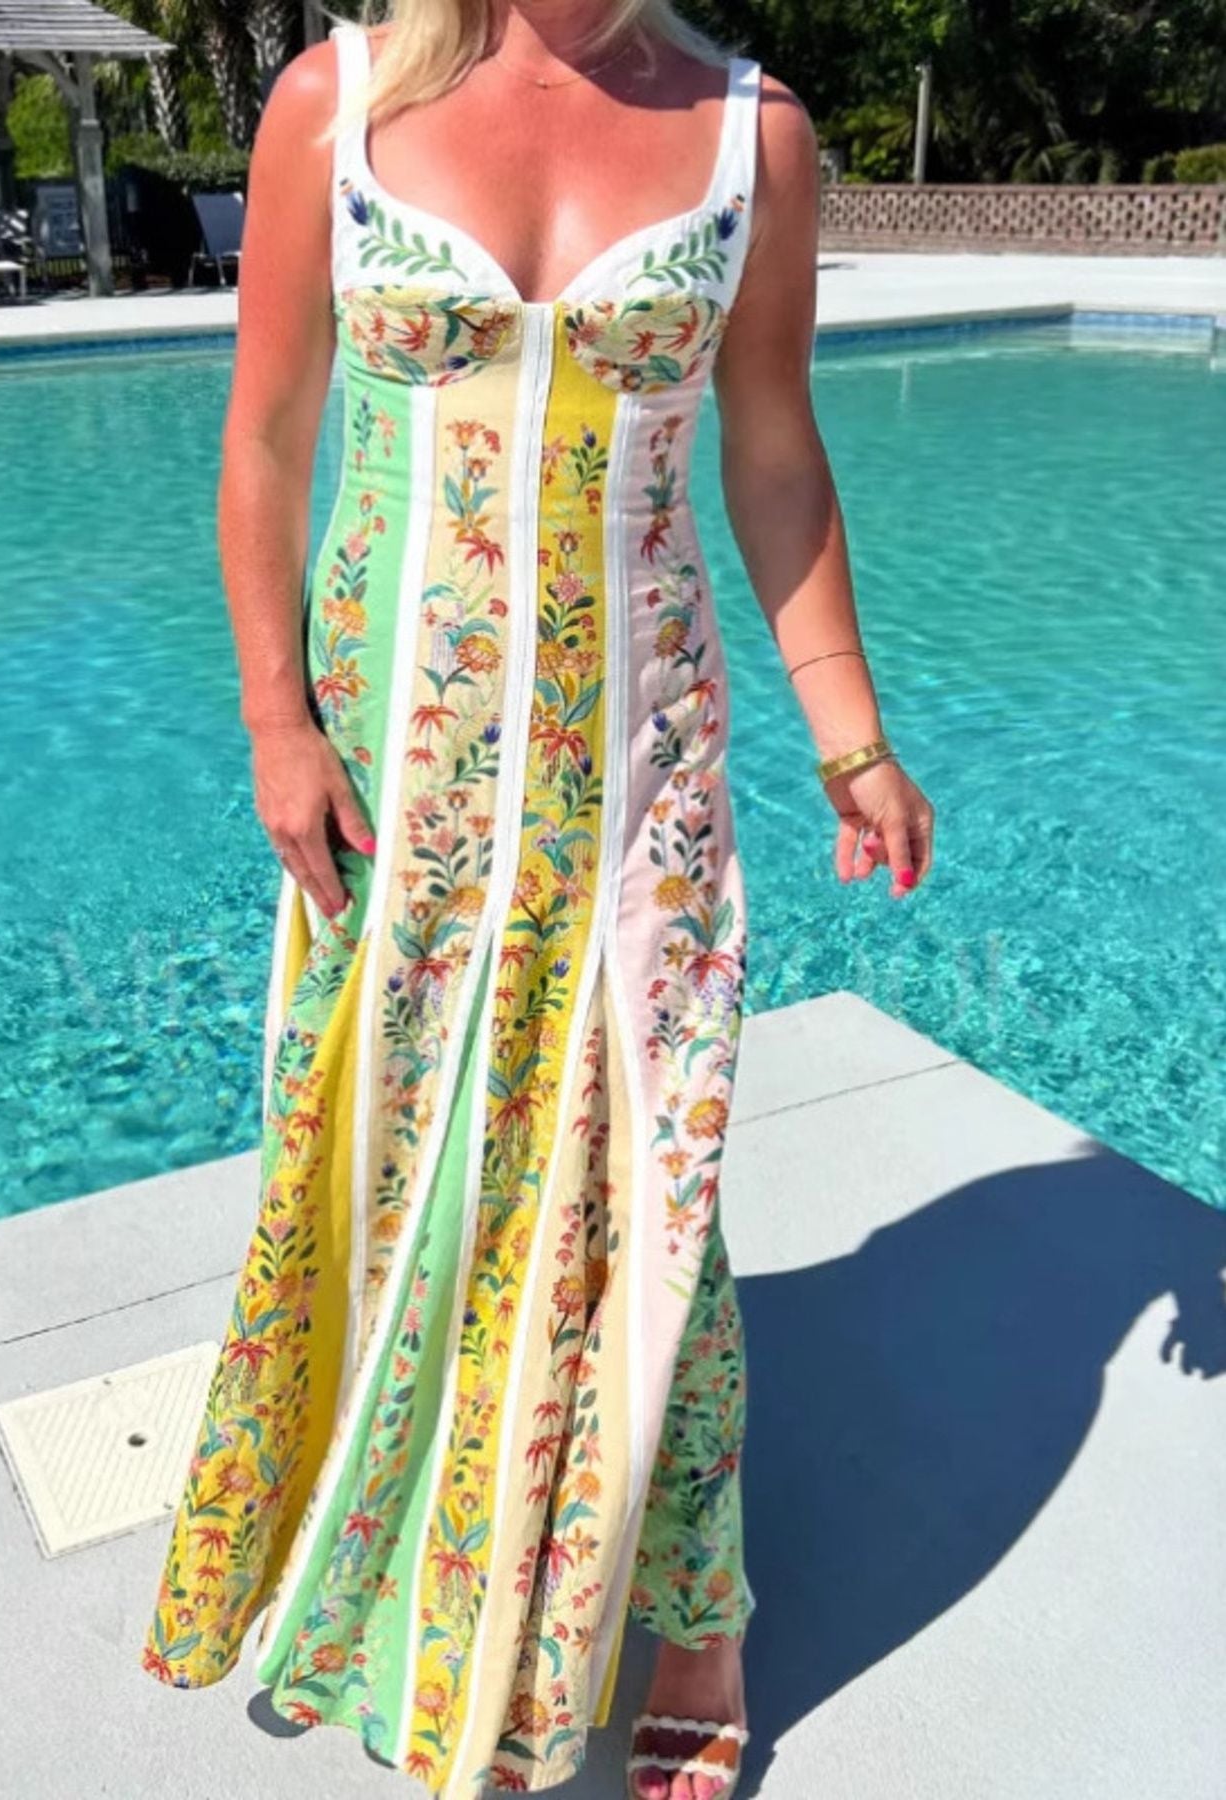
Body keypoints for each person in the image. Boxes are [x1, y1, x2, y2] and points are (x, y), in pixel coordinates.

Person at [139, 4, 936, 1798]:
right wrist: (275, 720)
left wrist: (851, 738)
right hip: (395, 778)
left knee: (651, 1167)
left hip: (635, 771)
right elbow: (266, 436)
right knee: (390, 1157)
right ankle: (414, 1562)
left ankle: (695, 1607)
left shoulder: (751, 133)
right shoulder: (335, 102)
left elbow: (773, 448)